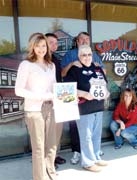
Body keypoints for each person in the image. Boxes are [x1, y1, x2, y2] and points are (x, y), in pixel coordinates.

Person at [15, 33, 57, 180]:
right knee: (39, 147)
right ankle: (40, 177)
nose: (41, 49)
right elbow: (18, 90)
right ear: (32, 47)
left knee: (52, 145)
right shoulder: (26, 65)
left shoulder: (51, 65)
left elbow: (54, 87)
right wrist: (42, 96)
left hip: (51, 108)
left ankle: (51, 173)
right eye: (37, 46)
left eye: (43, 45)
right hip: (34, 110)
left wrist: (65, 96)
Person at [61, 31, 105, 165]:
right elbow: (65, 84)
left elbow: (104, 82)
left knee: (96, 135)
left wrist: (105, 92)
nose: (87, 57)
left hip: (97, 106)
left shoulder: (96, 66)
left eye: (89, 54)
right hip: (82, 106)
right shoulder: (72, 63)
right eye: (84, 55)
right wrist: (84, 94)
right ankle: (86, 160)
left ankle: (96, 156)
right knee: (83, 134)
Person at [45, 33, 66, 168]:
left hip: (58, 97)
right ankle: (47, 159)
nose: (54, 45)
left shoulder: (56, 59)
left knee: (58, 129)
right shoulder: (41, 60)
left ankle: (55, 154)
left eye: (56, 43)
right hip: (46, 100)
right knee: (48, 131)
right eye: (51, 42)